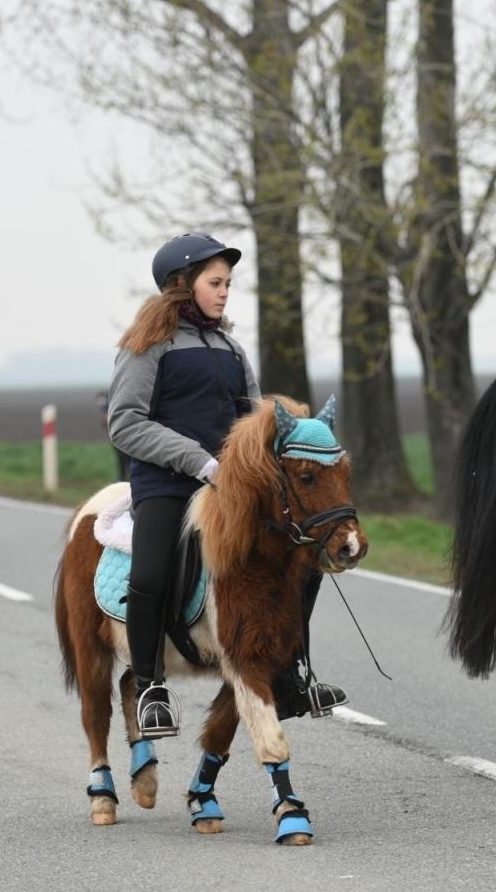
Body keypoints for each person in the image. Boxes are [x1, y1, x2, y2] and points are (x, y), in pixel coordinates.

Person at [108, 232, 345, 737]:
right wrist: (198, 461)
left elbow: (256, 419)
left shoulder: (231, 348)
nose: (224, 292)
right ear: (182, 283)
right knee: (150, 573)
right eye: (215, 282)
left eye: (228, 283)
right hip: (168, 485)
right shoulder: (147, 347)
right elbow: (125, 422)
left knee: (303, 559)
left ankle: (291, 677)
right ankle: (151, 687)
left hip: (231, 488)